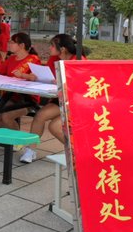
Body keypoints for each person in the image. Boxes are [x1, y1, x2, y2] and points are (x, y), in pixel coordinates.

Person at [24, 34, 87, 163]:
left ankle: (79, 153)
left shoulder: (78, 59)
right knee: (40, 115)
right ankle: (30, 150)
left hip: (77, 101)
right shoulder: (54, 58)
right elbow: (49, 76)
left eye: (52, 46)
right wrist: (37, 76)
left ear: (62, 49)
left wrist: (60, 81)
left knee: (55, 126)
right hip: (59, 97)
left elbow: (82, 84)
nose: (49, 48)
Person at [0, 32, 42, 131]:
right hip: (11, 96)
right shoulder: (11, 58)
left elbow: (36, 78)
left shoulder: (34, 60)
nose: (9, 44)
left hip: (27, 99)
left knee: (7, 117)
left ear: (21, 45)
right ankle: (12, 136)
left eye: (12, 42)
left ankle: (16, 139)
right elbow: (1, 69)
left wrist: (23, 75)